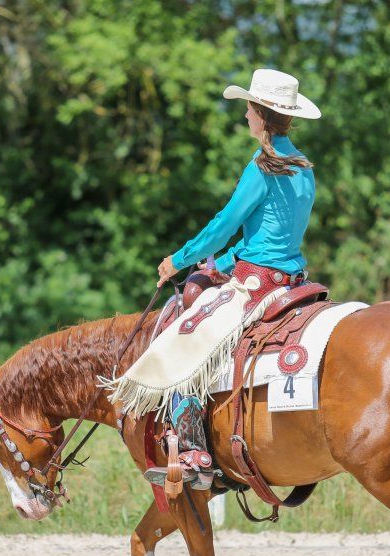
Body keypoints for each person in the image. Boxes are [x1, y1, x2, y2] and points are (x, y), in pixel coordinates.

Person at [100, 68, 320, 489]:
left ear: (261, 114)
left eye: (249, 109)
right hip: (290, 278)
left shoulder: (262, 167)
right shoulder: (303, 168)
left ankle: (194, 450)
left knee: (185, 338)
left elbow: (224, 225)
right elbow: (268, 236)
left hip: (257, 283)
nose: (245, 116)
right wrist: (224, 262)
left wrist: (180, 259)